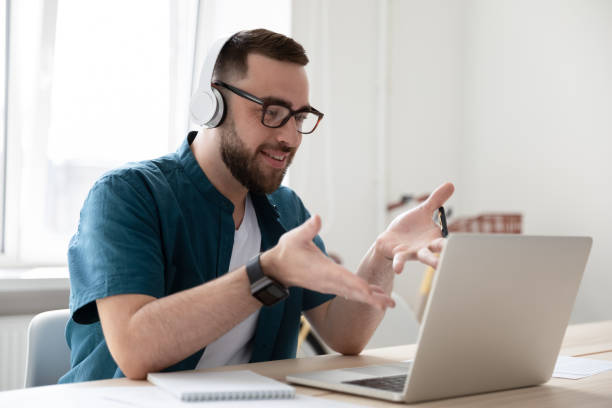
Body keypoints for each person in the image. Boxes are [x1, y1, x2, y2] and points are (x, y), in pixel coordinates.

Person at [59, 28, 454, 383]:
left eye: (299, 117)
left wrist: (382, 253)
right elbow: (135, 351)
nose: (290, 137)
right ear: (210, 105)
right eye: (272, 112)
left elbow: (344, 334)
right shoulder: (127, 195)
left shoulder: (285, 208)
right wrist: (267, 273)